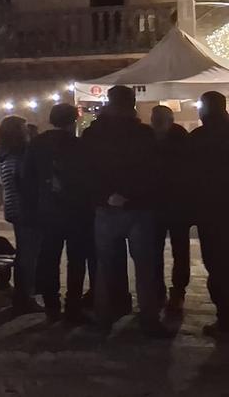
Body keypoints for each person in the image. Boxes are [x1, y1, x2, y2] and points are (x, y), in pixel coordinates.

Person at [81, 85, 170, 337]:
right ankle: (149, 318)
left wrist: (106, 195)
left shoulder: (93, 134)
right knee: (145, 266)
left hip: (106, 206)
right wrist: (131, 195)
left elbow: (87, 171)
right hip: (139, 207)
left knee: (106, 265)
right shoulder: (144, 134)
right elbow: (153, 171)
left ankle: (104, 315)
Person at [26, 103, 93, 324]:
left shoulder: (37, 144)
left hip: (47, 210)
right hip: (76, 211)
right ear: (73, 121)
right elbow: (88, 179)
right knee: (76, 260)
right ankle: (73, 306)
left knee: (49, 258)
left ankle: (51, 305)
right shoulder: (79, 145)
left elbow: (27, 179)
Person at [189, 91, 229, 338]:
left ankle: (225, 320)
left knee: (217, 266)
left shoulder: (199, 138)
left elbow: (188, 176)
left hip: (211, 212)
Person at [0, 115, 42, 315]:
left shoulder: (4, 153)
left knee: (25, 252)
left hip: (14, 207)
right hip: (25, 209)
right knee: (28, 255)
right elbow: (25, 184)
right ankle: (24, 296)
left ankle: (24, 293)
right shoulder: (19, 155)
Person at [150, 105, 191, 313]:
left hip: (171, 204)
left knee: (175, 250)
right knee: (164, 250)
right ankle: (165, 292)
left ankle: (173, 292)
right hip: (168, 204)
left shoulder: (155, 139)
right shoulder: (181, 139)